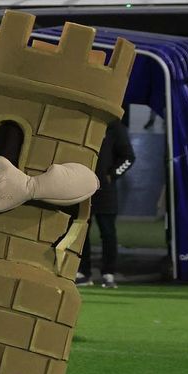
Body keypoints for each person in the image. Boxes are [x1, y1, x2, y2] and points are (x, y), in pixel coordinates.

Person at [80, 113, 136, 288]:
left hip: (105, 191)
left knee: (108, 233)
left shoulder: (114, 126)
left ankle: (108, 274)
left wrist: (111, 175)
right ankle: (82, 272)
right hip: (82, 187)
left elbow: (128, 157)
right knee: (81, 232)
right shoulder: (84, 121)